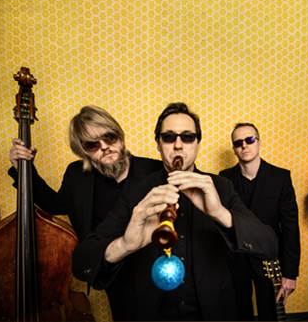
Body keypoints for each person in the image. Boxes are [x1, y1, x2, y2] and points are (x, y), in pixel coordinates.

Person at [72, 103, 278, 321]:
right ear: (158, 145)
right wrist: (125, 245)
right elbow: (82, 262)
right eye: (169, 137)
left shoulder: (221, 186)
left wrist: (220, 213)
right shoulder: (137, 192)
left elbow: (269, 245)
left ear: (197, 143)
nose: (178, 145)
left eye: (187, 137)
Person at [8, 105, 164, 321]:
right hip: (114, 274)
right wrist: (24, 169)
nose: (105, 147)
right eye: (92, 144)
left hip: (157, 268)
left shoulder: (155, 170)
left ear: (120, 136)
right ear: (82, 150)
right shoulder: (76, 174)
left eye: (109, 137)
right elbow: (55, 205)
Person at [219, 123, 301, 321]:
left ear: (259, 142)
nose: (244, 146)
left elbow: (290, 227)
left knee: (270, 313)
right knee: (238, 313)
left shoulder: (281, 177)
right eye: (238, 143)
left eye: (249, 140)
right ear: (234, 149)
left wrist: (290, 273)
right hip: (236, 259)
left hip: (269, 259)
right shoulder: (224, 178)